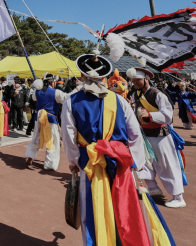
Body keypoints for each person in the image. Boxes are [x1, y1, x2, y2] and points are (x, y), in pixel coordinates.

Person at [62, 55, 158, 245]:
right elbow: (135, 134)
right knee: (123, 207)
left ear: (82, 74)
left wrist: (73, 162)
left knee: (91, 209)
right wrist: (135, 164)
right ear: (105, 76)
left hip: (89, 161)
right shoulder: (120, 101)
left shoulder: (71, 102)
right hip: (120, 162)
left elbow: (68, 137)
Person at [128, 67, 187, 208]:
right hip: (144, 135)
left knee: (167, 164)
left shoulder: (158, 94)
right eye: (134, 81)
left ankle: (178, 197)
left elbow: (167, 115)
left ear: (146, 79)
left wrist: (151, 115)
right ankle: (153, 187)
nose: (136, 83)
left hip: (160, 135)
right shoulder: (136, 95)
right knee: (144, 162)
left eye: (138, 80)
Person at [25, 73, 66, 170]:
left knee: (36, 137)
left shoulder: (37, 91)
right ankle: (50, 163)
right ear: (53, 82)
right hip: (50, 118)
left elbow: (34, 98)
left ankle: (30, 156)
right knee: (52, 140)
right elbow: (67, 98)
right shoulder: (56, 92)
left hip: (39, 118)